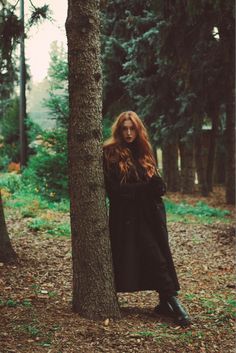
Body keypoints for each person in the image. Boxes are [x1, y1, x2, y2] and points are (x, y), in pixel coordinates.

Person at [103, 111, 191, 327]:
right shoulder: (110, 153)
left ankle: (164, 303)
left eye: (132, 128)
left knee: (160, 254)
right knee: (155, 257)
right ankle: (174, 303)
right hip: (128, 218)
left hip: (150, 214)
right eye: (124, 128)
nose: (129, 132)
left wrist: (158, 186)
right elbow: (115, 191)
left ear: (138, 129)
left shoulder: (144, 150)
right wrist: (146, 188)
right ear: (118, 130)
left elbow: (154, 183)